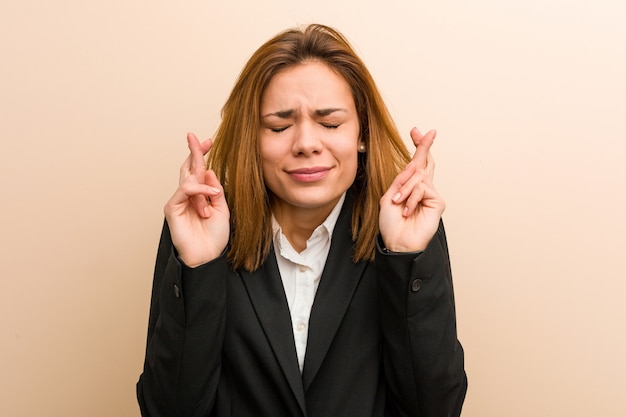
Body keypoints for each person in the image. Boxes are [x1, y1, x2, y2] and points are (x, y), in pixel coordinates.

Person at [137, 23, 467, 417]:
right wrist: (200, 266)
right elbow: (166, 411)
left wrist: (404, 257)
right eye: (279, 126)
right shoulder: (201, 227)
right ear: (252, 138)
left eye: (330, 124)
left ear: (361, 132)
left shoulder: (407, 229)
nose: (307, 144)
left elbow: (435, 409)